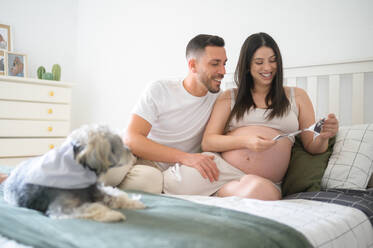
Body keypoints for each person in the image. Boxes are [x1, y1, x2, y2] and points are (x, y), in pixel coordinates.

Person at [163, 32, 339, 200]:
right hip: (222, 170)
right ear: (247, 65)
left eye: (273, 61)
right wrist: (246, 141)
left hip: (264, 180)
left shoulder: (297, 96)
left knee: (261, 193)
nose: (268, 68)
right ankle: (227, 191)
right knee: (173, 182)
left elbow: (312, 146)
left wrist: (323, 137)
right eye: (259, 62)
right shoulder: (229, 97)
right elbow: (208, 142)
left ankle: (222, 194)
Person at [105, 34, 227, 194]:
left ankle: (104, 190)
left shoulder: (219, 99)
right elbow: (131, 138)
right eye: (215, 64)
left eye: (224, 64)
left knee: (150, 182)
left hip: (156, 169)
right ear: (193, 66)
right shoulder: (161, 89)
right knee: (112, 167)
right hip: (131, 152)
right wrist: (185, 157)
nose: (223, 71)